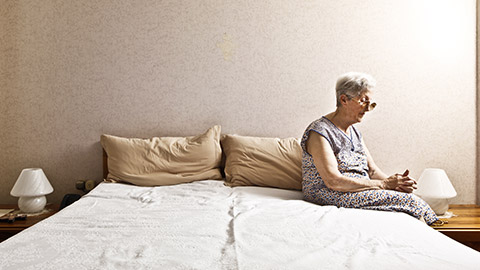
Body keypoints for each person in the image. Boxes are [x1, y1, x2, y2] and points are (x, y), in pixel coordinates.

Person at [301, 72, 438, 225]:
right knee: (411, 203)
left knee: (413, 199)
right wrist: (385, 185)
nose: (367, 109)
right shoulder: (319, 131)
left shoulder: (354, 132)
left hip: (358, 189)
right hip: (330, 193)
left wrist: (397, 184)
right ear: (344, 99)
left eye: (370, 103)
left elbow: (372, 171)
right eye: (364, 101)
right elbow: (333, 181)